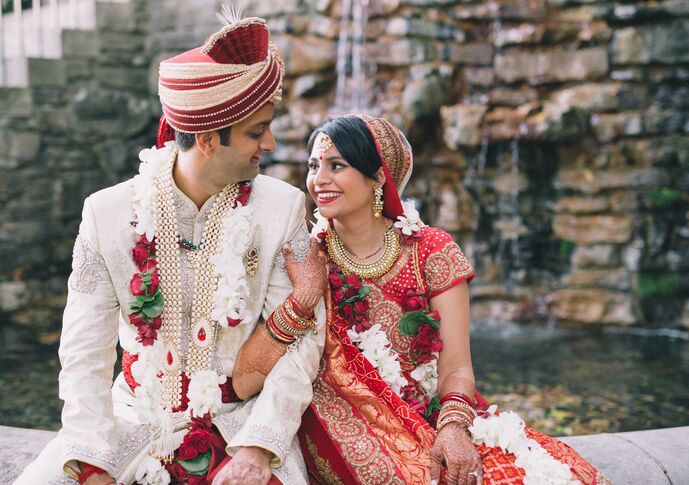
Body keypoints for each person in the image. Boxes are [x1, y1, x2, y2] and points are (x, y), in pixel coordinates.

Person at [14, 14, 327, 485]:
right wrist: (93, 461)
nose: (271, 142)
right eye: (255, 131)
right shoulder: (107, 213)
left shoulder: (281, 208)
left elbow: (304, 343)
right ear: (205, 139)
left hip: (239, 423)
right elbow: (83, 354)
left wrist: (260, 448)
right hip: (130, 423)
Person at [234, 114, 610, 484]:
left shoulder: (431, 250)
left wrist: (452, 427)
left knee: (539, 475)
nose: (319, 180)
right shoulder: (305, 257)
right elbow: (246, 378)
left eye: (337, 165)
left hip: (434, 412)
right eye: (314, 166)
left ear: (378, 176)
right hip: (348, 427)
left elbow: (457, 368)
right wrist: (303, 297)